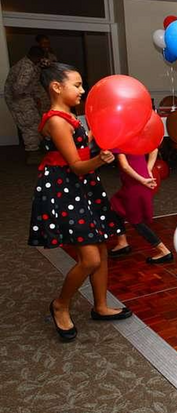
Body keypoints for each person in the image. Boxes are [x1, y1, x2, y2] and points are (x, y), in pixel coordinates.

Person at [30, 63, 131, 341]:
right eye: (77, 85)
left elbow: (77, 147)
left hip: (82, 187)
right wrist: (100, 159)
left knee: (101, 246)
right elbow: (75, 164)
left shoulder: (69, 115)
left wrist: (94, 137)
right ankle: (61, 304)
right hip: (66, 189)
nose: (82, 90)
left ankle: (100, 306)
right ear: (56, 87)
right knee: (89, 258)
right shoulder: (56, 120)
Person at [108, 148, 173, 264]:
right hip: (137, 182)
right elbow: (154, 149)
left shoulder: (120, 141)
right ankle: (122, 243)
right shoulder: (137, 137)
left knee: (136, 221)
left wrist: (143, 179)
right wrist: (147, 169)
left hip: (137, 184)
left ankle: (164, 251)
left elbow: (125, 166)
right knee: (115, 205)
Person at [4, 46, 51, 163]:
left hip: (29, 94)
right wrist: (33, 98)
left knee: (40, 119)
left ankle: (42, 145)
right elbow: (18, 89)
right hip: (19, 98)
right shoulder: (26, 69)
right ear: (36, 57)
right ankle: (33, 153)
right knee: (30, 124)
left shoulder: (33, 63)